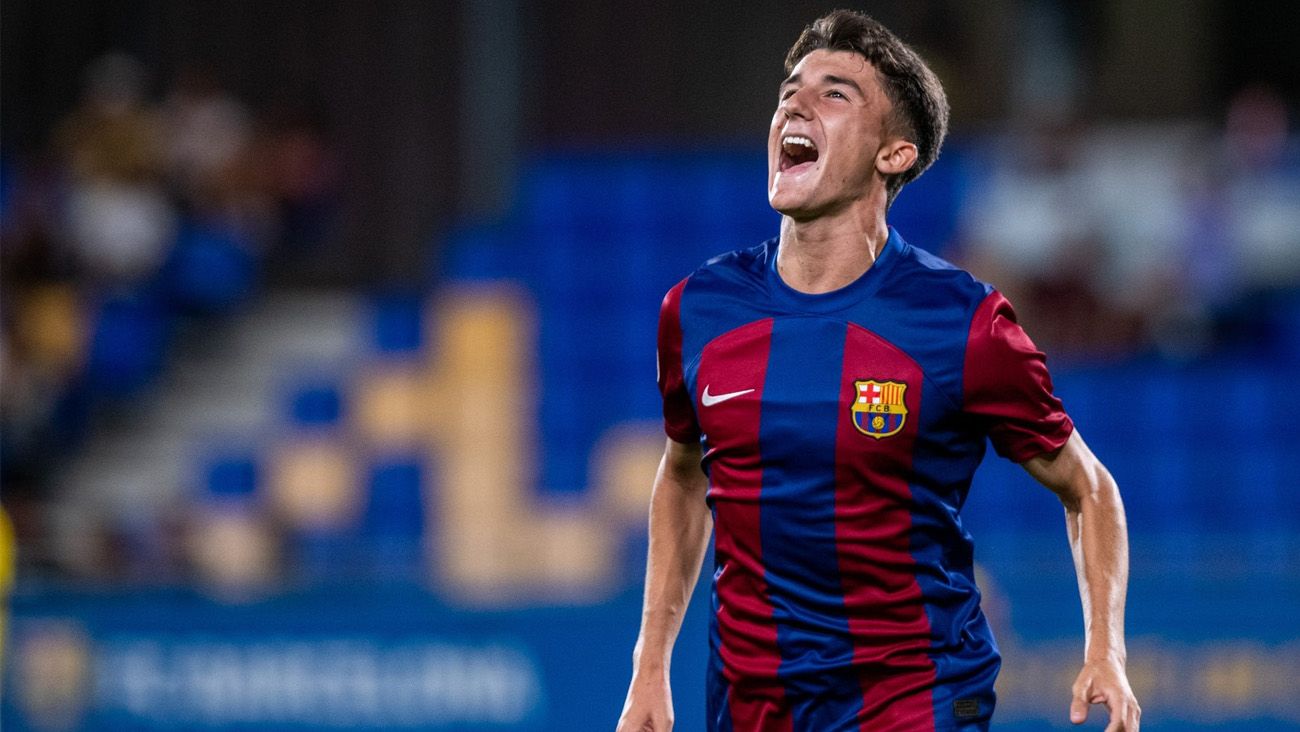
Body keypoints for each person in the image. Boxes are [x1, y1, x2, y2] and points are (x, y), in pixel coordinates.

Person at [617, 10, 1140, 732]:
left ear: (894, 153)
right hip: (750, 703)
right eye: (789, 90)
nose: (796, 103)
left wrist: (1105, 647)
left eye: (835, 94)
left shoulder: (964, 324)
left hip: (916, 695)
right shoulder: (699, 309)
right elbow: (682, 474)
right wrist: (650, 669)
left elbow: (1089, 488)